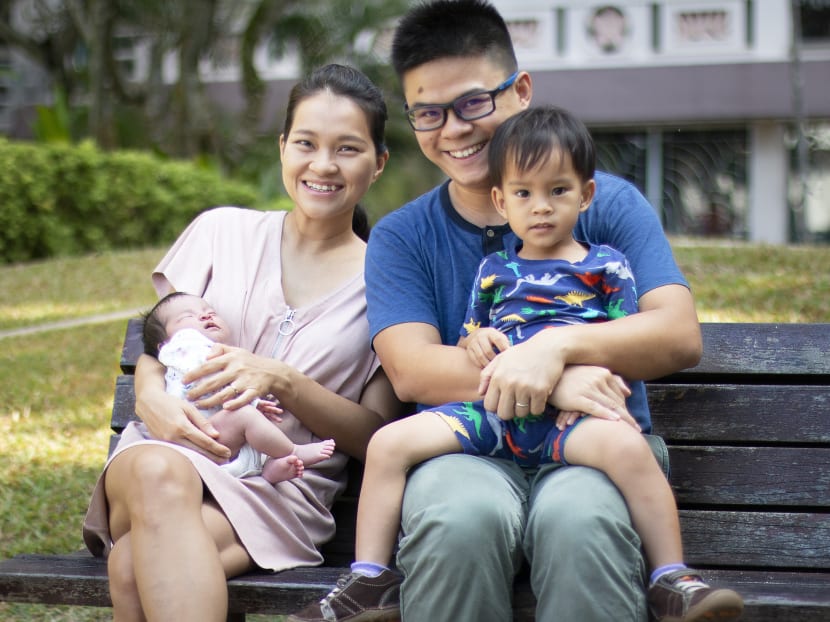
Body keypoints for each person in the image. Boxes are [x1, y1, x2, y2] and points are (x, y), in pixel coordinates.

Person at [289, 106, 743, 622]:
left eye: (558, 192)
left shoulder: (606, 265)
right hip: (496, 416)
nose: (542, 207)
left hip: (576, 424)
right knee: (389, 442)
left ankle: (672, 578)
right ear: (503, 202)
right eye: (525, 194)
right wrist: (480, 343)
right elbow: (469, 336)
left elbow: (633, 336)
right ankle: (370, 578)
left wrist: (561, 354)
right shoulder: (493, 269)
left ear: (586, 195)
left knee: (626, 448)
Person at [363, 1, 711, 621]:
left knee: (581, 522)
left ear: (520, 90)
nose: (454, 129)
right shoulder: (402, 236)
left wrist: (556, 351)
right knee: (457, 520)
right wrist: (561, 383)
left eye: (473, 103)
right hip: (466, 449)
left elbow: (677, 332)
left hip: (598, 443)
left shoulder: (602, 203)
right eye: (428, 113)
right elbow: (413, 370)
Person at [81, 63, 401, 622]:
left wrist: (284, 382)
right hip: (166, 451)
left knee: (134, 562)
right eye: (306, 143)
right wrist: (151, 396)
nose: (322, 165)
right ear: (282, 148)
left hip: (278, 492)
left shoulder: (391, 280)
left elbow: (373, 434)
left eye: (347, 149)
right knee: (160, 474)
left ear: (378, 163)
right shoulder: (220, 232)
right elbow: (162, 344)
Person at [142, 291, 337, 483]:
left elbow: (221, 391)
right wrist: (250, 403)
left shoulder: (216, 354)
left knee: (251, 424)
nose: (205, 315)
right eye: (187, 316)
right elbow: (208, 381)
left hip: (208, 439)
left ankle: (267, 470)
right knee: (245, 416)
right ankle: (293, 450)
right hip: (195, 435)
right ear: (164, 345)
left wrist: (253, 403)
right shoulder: (184, 348)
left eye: (210, 310)